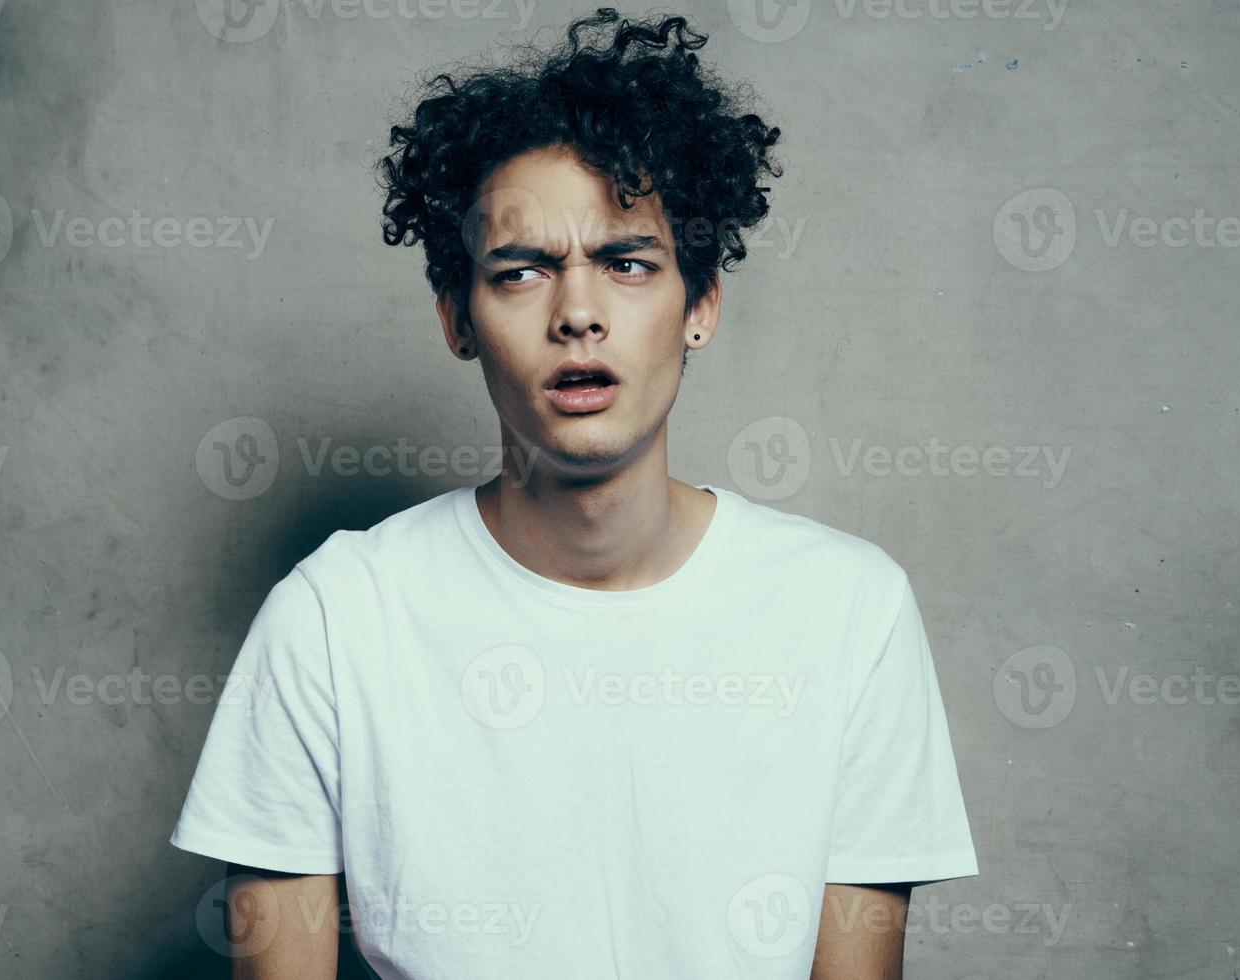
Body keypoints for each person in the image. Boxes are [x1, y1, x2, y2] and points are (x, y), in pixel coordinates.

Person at [169, 8, 978, 978]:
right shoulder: (336, 618)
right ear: (457, 321)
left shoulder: (848, 607)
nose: (579, 313)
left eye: (629, 262)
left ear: (701, 306)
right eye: (522, 271)